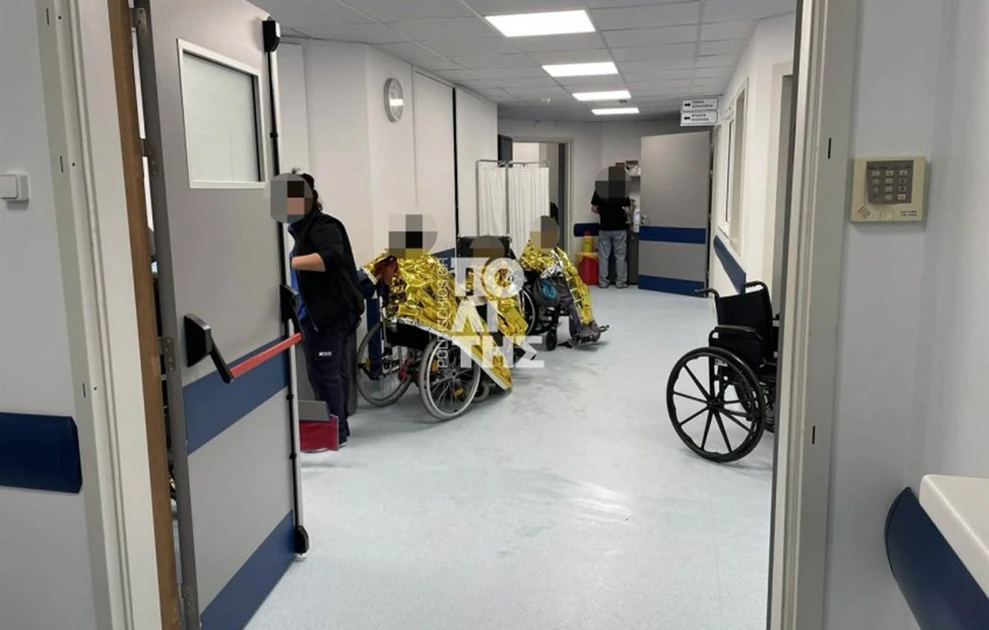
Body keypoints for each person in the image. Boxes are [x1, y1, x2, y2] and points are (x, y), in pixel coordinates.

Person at [288, 173, 364, 447]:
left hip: (329, 314)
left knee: (325, 373)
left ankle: (335, 433)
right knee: (333, 371)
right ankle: (339, 426)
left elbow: (329, 257)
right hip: (318, 313)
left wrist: (288, 262)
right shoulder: (302, 231)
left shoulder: (324, 226)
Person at [591, 189, 631, 289]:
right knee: (620, 256)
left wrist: (604, 213)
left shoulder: (599, 189)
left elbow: (594, 208)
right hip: (619, 228)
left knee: (603, 256)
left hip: (604, 227)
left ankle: (603, 282)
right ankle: (620, 282)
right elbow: (627, 210)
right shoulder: (622, 190)